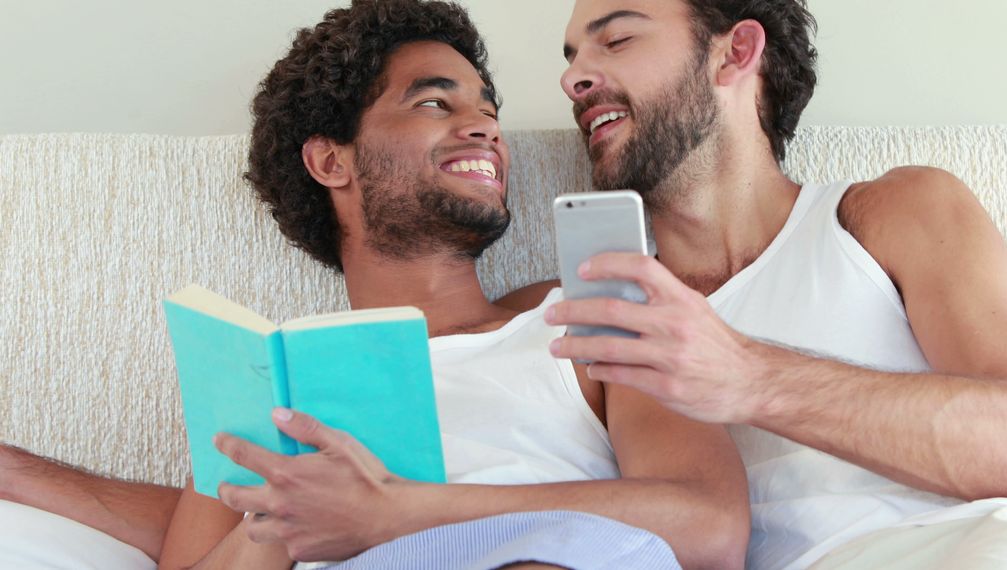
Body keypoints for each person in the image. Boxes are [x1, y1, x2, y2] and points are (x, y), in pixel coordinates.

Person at [0, 1, 749, 569]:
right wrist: (278, 526)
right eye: (435, 102)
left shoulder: (593, 312)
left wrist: (400, 513)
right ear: (333, 163)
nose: (485, 127)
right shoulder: (271, 381)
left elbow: (710, 524)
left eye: (488, 110)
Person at [524, 0, 1007, 568]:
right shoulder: (597, 320)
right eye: (570, 59)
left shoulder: (890, 213)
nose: (572, 79)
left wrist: (748, 375)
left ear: (735, 53)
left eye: (616, 41)